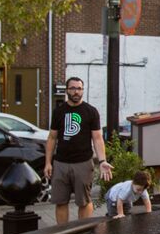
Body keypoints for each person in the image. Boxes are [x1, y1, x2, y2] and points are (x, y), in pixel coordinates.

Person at [44, 76, 114, 225]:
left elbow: (97, 138)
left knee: (84, 201)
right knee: (61, 202)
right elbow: (51, 138)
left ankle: (82, 233)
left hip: (83, 163)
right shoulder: (59, 111)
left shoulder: (91, 111)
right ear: (67, 90)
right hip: (61, 163)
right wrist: (48, 163)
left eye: (79, 88)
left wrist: (102, 161)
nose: (76, 91)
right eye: (73, 88)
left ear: (82, 90)